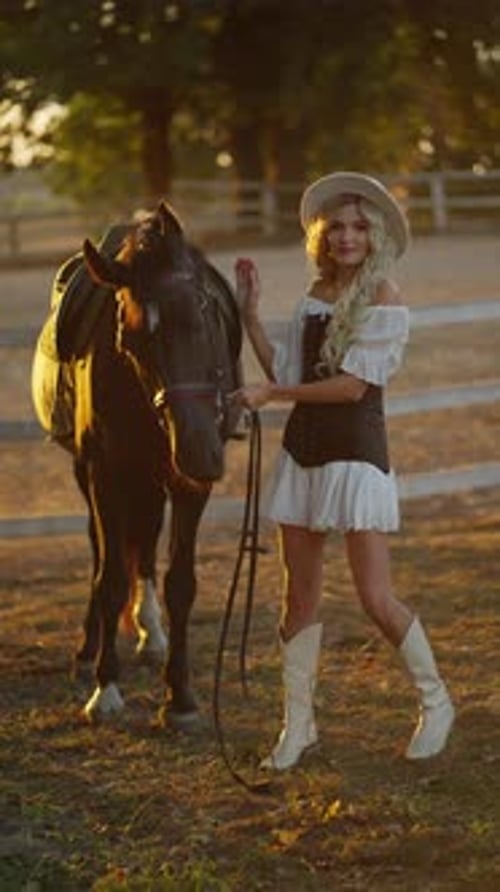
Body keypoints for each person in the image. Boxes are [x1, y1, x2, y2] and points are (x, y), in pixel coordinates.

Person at [233, 171, 455, 770]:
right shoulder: (314, 294)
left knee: (374, 597)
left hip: (356, 458)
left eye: (359, 227)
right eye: (337, 228)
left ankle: (436, 703)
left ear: (375, 234)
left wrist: (273, 393)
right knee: (296, 601)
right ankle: (297, 726)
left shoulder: (385, 297)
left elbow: (352, 386)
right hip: (303, 456)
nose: (347, 237)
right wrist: (250, 316)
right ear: (322, 237)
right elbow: (288, 366)